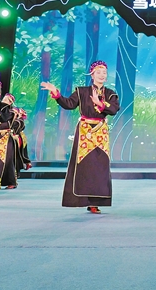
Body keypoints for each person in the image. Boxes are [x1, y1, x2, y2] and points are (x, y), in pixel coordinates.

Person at [41, 60, 120, 213]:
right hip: (84, 131)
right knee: (84, 165)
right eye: (98, 72)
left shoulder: (110, 94)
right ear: (92, 75)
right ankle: (82, 199)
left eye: (104, 72)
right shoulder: (81, 91)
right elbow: (69, 104)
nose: (102, 75)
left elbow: (114, 109)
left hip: (100, 132)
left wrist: (101, 104)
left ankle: (95, 202)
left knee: (100, 166)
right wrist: (56, 93)